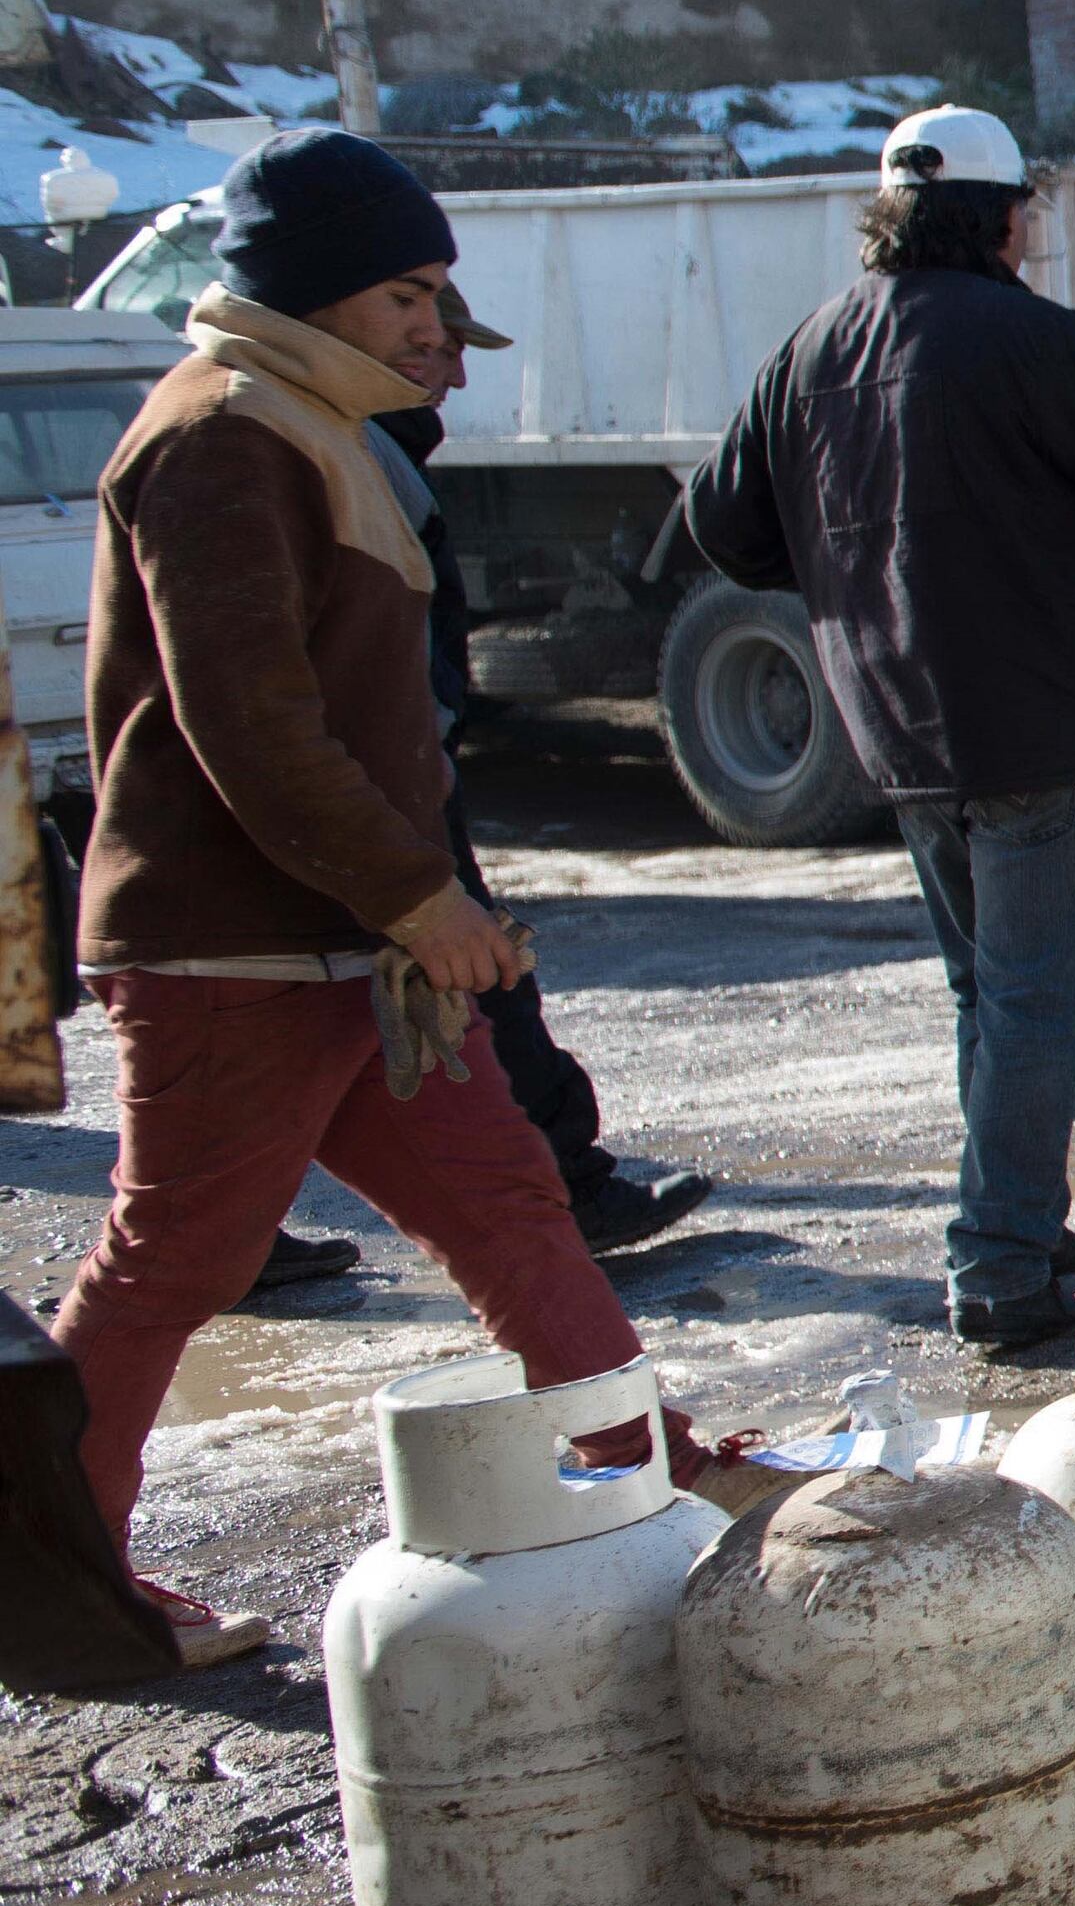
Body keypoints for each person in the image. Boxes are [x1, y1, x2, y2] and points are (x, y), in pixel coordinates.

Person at [52, 130, 650, 1670]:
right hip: (237, 950)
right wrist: (417, 892)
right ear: (313, 288)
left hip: (350, 954)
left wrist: (406, 906)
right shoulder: (220, 434)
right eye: (407, 291)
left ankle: (648, 1480)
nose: (436, 324)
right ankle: (51, 1581)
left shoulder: (309, 421)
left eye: (441, 290)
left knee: (513, 1208)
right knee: (173, 1257)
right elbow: (246, 724)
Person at [686, 110, 1075, 1355]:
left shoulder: (812, 347)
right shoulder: (1030, 337)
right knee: (1037, 1008)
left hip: (897, 728)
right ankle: (1003, 1265)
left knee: (988, 1002)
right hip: (1039, 730)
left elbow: (724, 528)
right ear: (1008, 220)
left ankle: (1020, 1225)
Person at [372, 281, 718, 1254]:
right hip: (391, 803)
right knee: (485, 992)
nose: (458, 372)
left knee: (433, 1015)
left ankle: (553, 1201)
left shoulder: (381, 459)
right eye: (440, 349)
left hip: (397, 792)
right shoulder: (353, 463)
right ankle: (561, 1191)